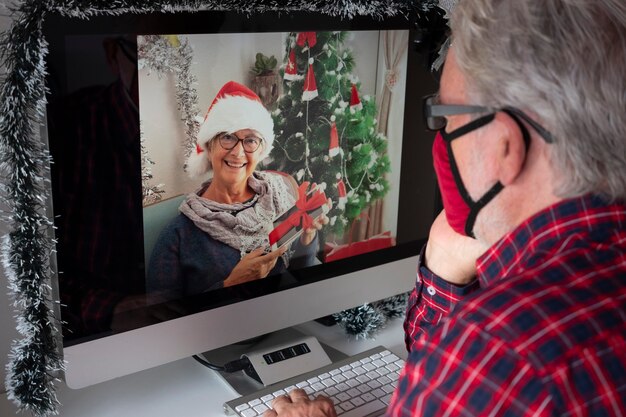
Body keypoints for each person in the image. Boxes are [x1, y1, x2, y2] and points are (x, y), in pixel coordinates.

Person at [264, 1, 626, 416]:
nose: (442, 138)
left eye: (444, 118)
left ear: (503, 145)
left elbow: (460, 375)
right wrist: (444, 267)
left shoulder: (503, 361)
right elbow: (443, 373)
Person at [147, 81, 328, 299]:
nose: (238, 152)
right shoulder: (179, 235)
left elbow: (302, 277)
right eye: (227, 137)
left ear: (261, 150)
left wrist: (307, 240)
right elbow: (162, 318)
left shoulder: (280, 198)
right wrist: (231, 285)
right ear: (209, 146)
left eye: (250, 140)